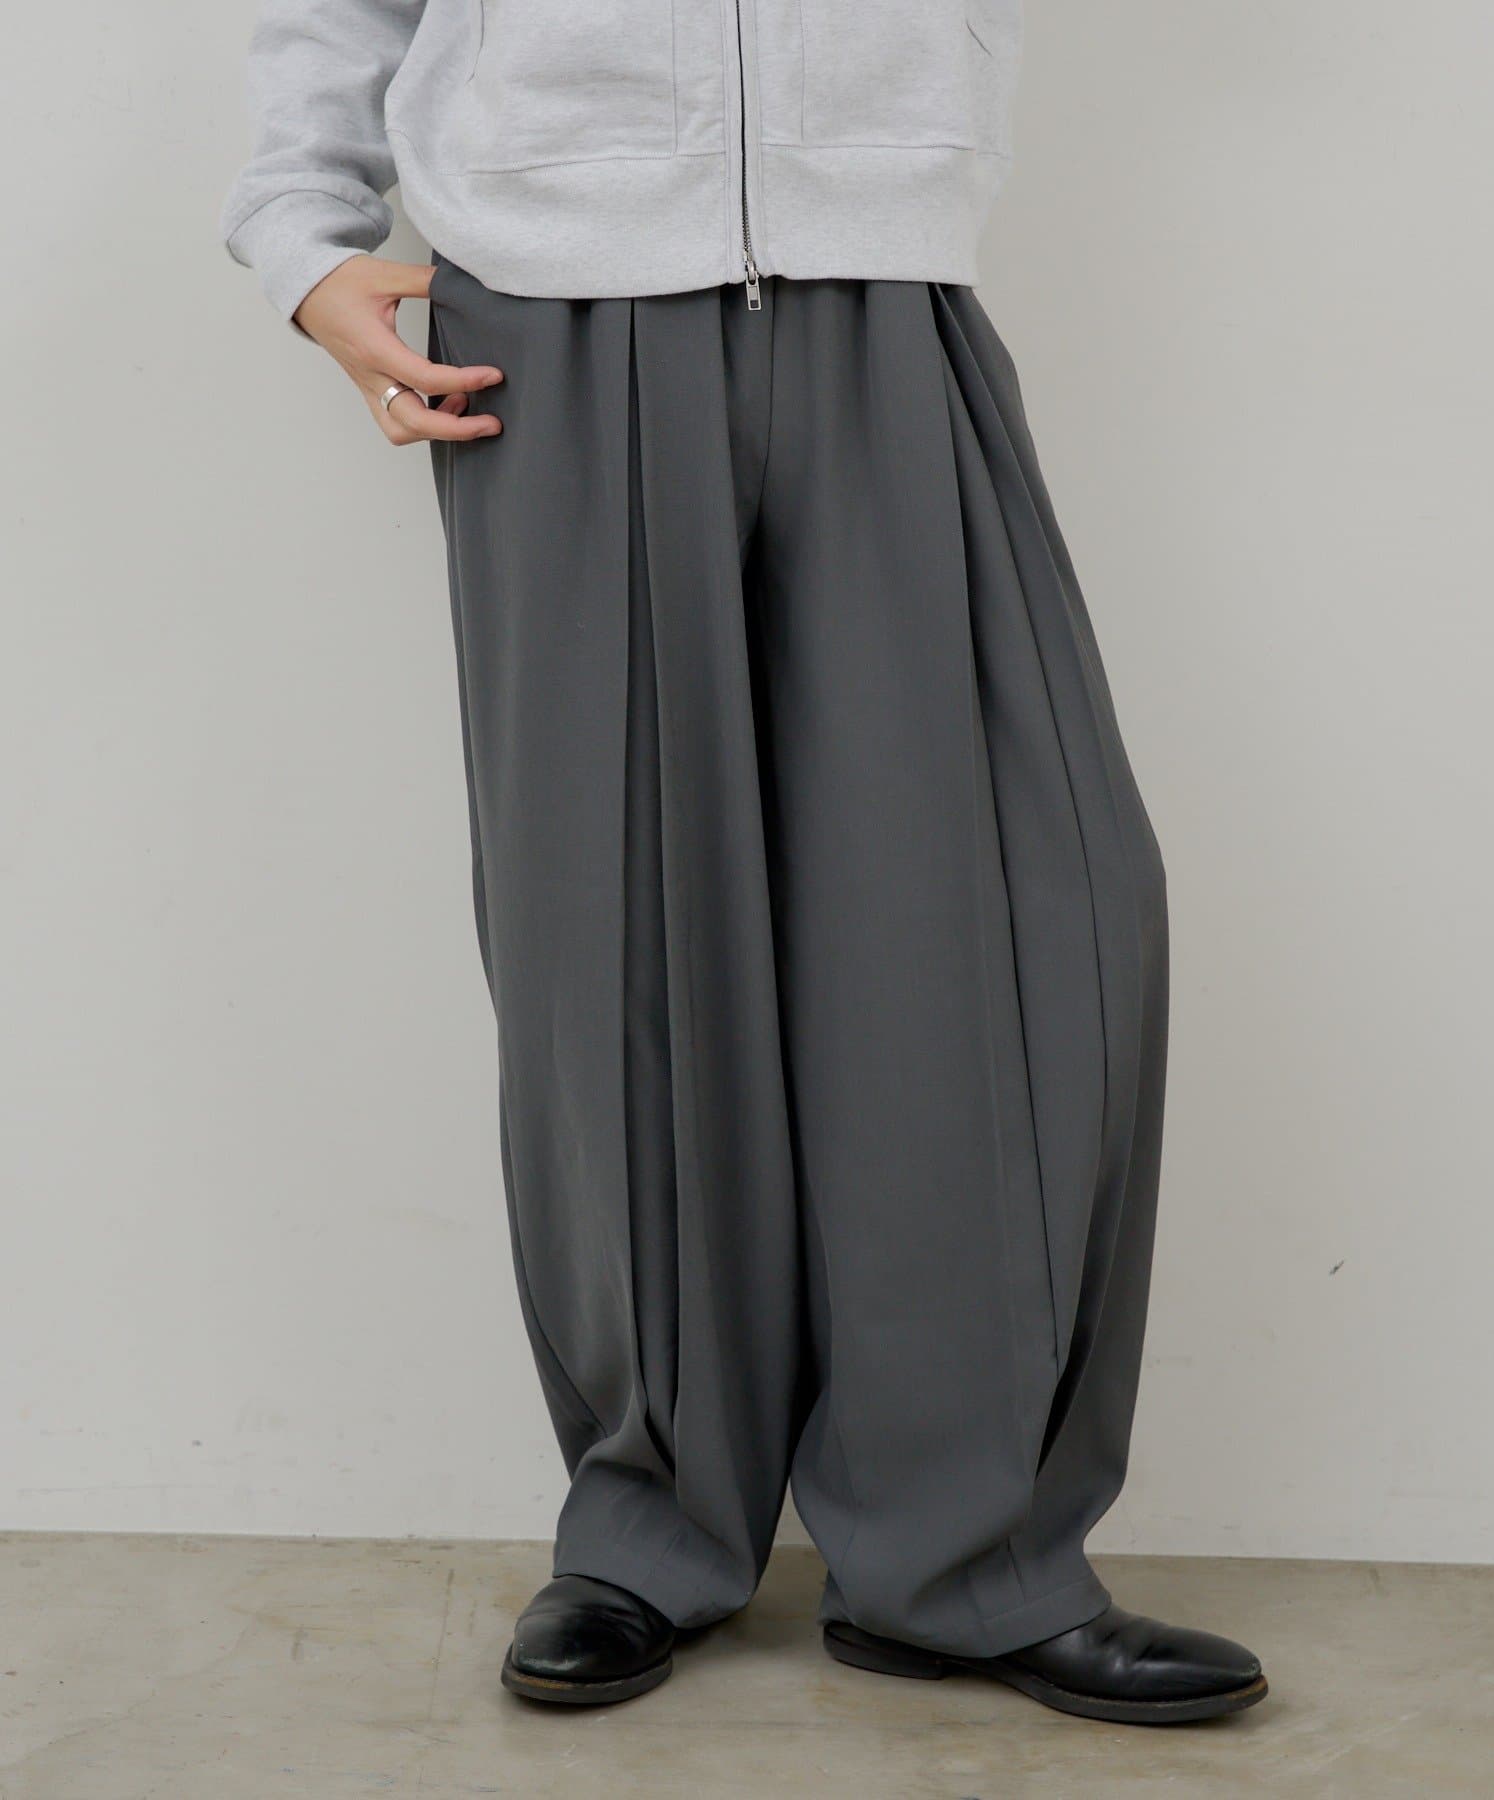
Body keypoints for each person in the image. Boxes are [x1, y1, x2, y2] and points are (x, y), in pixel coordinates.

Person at [222, 0, 1266, 1724]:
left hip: (888, 284)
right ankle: (649, 1529)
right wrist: (299, 231)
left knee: (1015, 923)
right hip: (550, 308)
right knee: (612, 936)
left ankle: (965, 1554)